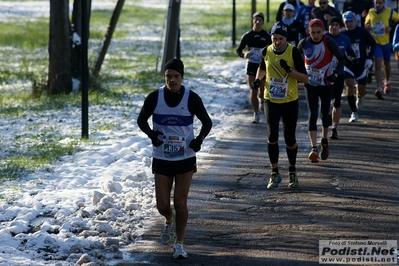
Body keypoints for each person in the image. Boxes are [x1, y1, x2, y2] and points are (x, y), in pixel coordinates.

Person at [136, 58, 212, 259]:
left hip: (185, 158)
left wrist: (199, 140)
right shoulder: (154, 98)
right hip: (162, 158)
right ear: (164, 77)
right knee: (162, 205)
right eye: (168, 76)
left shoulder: (191, 98)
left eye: (176, 76)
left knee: (180, 202)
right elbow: (141, 120)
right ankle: (169, 219)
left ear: (182, 77)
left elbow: (207, 122)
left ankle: (179, 243)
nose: (172, 80)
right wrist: (152, 135)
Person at [251, 21, 309, 189]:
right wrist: (257, 80)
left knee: (290, 139)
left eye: (280, 39)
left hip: (290, 100)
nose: (277, 42)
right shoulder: (266, 51)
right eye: (274, 38)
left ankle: (292, 171)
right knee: (272, 136)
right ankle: (274, 173)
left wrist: (290, 70)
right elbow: (262, 68)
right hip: (271, 99)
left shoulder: (293, 52)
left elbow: (305, 79)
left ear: (286, 39)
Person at [298, 18, 345, 162]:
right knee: (312, 114)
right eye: (313, 32)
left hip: (326, 84)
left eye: (318, 32)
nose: (316, 35)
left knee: (325, 114)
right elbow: (294, 59)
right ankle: (313, 148)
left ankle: (324, 141)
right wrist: (301, 74)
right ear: (308, 31)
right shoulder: (304, 43)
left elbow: (341, 59)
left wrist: (335, 74)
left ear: (323, 31)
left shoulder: (328, 42)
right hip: (310, 84)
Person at [325, 16, 358, 139]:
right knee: (325, 100)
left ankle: (335, 128)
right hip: (324, 74)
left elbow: (350, 52)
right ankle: (327, 118)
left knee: (337, 101)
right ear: (328, 27)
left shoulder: (345, 39)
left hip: (339, 73)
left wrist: (353, 59)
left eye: (336, 25)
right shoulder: (323, 38)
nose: (334, 27)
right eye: (331, 25)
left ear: (340, 27)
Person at [341, 11, 376, 123]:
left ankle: (360, 96)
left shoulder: (362, 32)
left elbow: (373, 44)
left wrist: (370, 58)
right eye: (347, 22)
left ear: (355, 20)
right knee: (349, 85)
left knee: (361, 90)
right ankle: (353, 112)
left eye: (351, 21)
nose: (349, 24)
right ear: (343, 22)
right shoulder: (341, 34)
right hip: (347, 65)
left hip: (361, 64)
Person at [236, 12, 272, 123]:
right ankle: (256, 113)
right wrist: (244, 55)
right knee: (253, 90)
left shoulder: (266, 36)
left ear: (262, 22)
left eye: (260, 20)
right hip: (251, 65)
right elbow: (238, 50)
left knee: (262, 91)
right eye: (255, 20)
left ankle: (261, 100)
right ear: (253, 21)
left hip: (262, 66)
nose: (257, 22)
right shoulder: (248, 36)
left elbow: (272, 49)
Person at [365, 0, 399, 97]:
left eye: (380, 3)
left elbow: (398, 19)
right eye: (376, 2)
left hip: (386, 42)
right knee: (378, 64)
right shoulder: (371, 11)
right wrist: (367, 26)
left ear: (384, 3)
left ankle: (387, 81)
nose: (378, 5)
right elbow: (366, 23)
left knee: (387, 64)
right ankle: (378, 87)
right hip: (376, 43)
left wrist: (391, 27)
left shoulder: (390, 11)